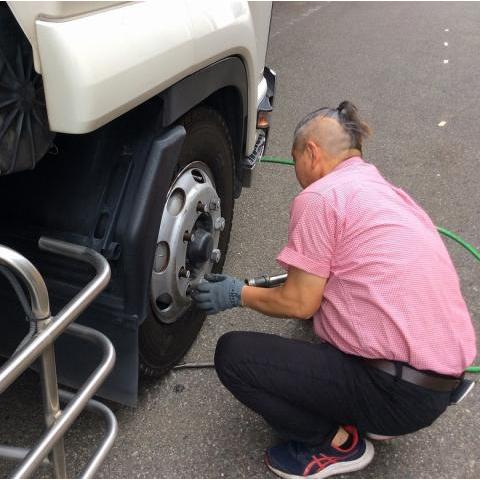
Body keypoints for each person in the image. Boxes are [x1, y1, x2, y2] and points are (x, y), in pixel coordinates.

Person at [191, 101, 476, 479]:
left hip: (402, 392)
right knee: (316, 323)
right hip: (442, 376)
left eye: (295, 162)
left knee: (234, 355)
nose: (298, 175)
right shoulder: (385, 192)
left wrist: (237, 293)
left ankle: (335, 444)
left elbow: (300, 301)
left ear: (311, 152)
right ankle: (377, 412)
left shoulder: (321, 197)